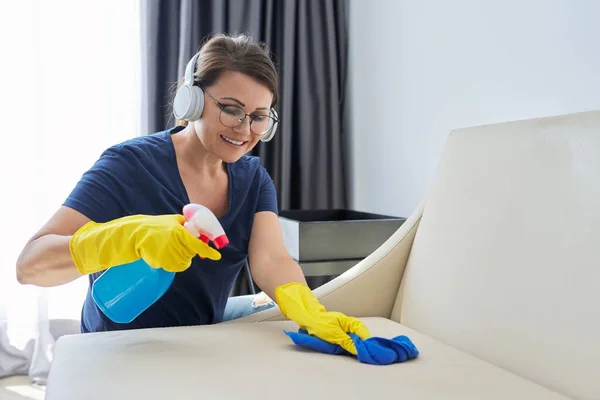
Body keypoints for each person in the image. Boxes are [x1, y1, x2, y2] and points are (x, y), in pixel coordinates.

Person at [15, 33, 369, 354]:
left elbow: (272, 261)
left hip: (197, 342)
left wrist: (311, 311)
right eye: (231, 109)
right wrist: (129, 237)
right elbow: (30, 266)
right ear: (192, 100)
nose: (245, 129)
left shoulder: (253, 179)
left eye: (258, 116)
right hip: (118, 347)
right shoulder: (129, 165)